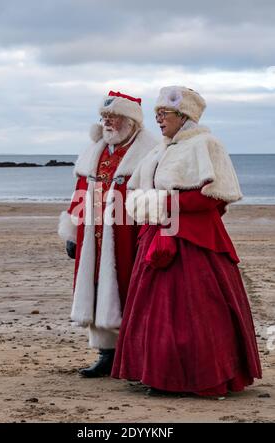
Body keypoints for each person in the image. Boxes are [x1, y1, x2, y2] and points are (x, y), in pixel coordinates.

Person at [111, 86, 262, 396]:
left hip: (193, 240)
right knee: (152, 309)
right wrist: (150, 205)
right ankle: (157, 375)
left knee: (199, 309)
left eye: (163, 114)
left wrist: (164, 204)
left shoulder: (206, 144)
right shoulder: (159, 150)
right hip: (156, 235)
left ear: (184, 116)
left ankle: (201, 377)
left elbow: (211, 199)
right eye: (157, 114)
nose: (158, 119)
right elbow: (138, 191)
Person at [58, 90, 157, 377]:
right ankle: (107, 352)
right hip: (93, 235)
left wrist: (149, 236)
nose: (107, 122)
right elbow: (80, 192)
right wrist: (73, 233)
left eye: (113, 116)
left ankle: (136, 354)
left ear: (131, 120)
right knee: (97, 288)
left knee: (132, 291)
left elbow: (155, 196)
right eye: (104, 117)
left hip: (129, 234)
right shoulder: (95, 149)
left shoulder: (149, 151)